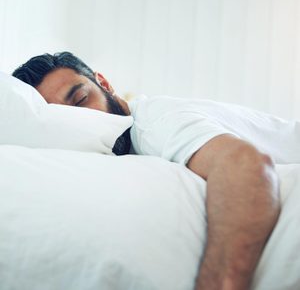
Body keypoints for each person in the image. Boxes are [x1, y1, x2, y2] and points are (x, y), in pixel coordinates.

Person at [13, 51, 294, 290]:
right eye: (66, 118)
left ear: (105, 84)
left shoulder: (153, 122)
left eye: (81, 100)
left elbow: (244, 166)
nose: (84, 120)